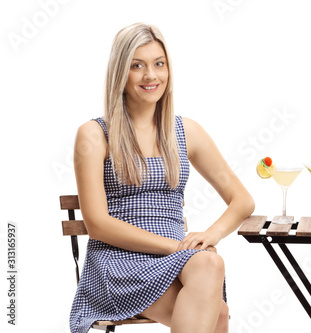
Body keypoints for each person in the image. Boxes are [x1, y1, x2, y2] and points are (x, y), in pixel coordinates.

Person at [69, 22, 255, 333]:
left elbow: (243, 200)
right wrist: (175, 248)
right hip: (119, 262)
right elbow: (98, 225)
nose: (150, 76)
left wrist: (211, 235)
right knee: (217, 313)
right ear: (120, 73)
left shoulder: (186, 132)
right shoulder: (94, 134)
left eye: (159, 64)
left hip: (176, 260)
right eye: (137, 66)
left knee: (209, 263)